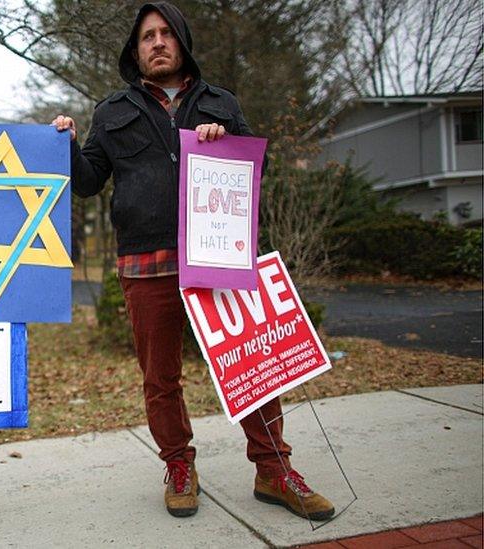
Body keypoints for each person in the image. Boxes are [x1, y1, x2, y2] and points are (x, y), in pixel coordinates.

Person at [52, 2, 335, 521]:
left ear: (181, 42)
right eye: (146, 37)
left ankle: (274, 470)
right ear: (135, 50)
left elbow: (256, 166)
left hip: (219, 258)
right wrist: (67, 145)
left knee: (252, 365)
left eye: (165, 34)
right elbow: (89, 181)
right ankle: (179, 465)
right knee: (160, 378)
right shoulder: (112, 110)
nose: (156, 43)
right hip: (146, 261)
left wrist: (226, 142)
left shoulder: (220, 102)